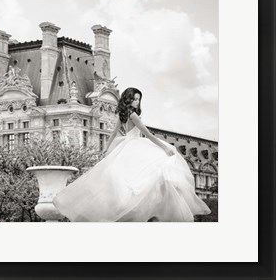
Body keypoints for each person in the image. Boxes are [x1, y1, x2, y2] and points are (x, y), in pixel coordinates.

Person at [52, 87, 211, 222]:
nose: (137, 102)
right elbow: (148, 134)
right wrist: (165, 147)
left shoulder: (122, 115)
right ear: (129, 100)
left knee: (130, 180)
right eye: (135, 99)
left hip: (125, 146)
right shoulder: (133, 115)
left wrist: (105, 151)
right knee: (155, 173)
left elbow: (113, 134)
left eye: (139, 99)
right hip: (135, 144)